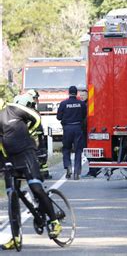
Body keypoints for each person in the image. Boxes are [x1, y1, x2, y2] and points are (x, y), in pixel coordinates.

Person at [0, 94, 62, 249]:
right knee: (11, 196)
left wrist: (28, 132)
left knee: (35, 187)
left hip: (27, 153)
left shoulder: (13, 108)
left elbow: (36, 118)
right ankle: (15, 237)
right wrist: (3, 162)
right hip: (10, 158)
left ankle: (54, 221)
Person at [57, 86, 86, 180]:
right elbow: (84, 115)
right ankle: (77, 172)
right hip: (78, 128)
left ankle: (68, 167)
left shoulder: (63, 103)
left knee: (66, 149)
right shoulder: (81, 103)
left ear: (68, 93)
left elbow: (59, 117)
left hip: (67, 128)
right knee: (78, 150)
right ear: (76, 93)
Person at [26, 89, 51, 179]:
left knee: (42, 154)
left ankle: (44, 173)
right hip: (34, 136)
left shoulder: (32, 109)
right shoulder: (27, 110)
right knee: (38, 154)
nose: (36, 100)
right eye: (35, 98)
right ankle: (38, 174)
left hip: (38, 135)